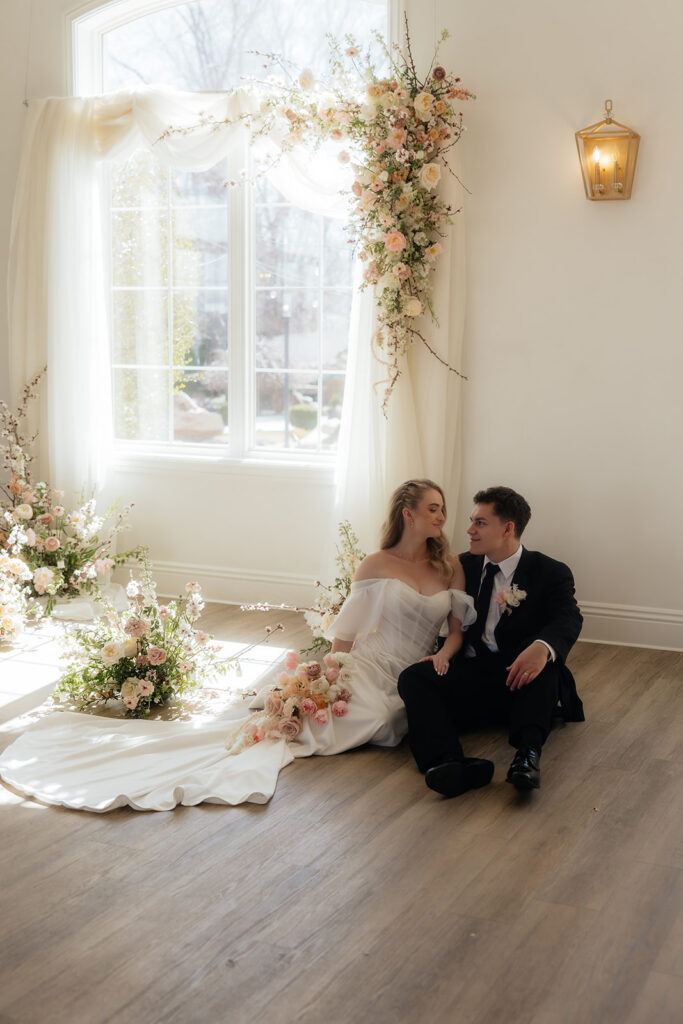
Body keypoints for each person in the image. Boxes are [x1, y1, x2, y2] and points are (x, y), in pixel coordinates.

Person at [0, 479, 475, 813]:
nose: (442, 515)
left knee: (392, 720)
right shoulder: (377, 562)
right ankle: (280, 723)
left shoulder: (449, 567)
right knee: (368, 718)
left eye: (443, 508)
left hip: (415, 669)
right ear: (408, 513)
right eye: (433, 507)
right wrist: (332, 668)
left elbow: (454, 630)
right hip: (369, 663)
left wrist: (443, 656)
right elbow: (347, 628)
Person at [397, 486, 584, 799]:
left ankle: (527, 758)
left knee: (548, 668)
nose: (469, 530)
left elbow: (568, 618)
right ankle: (450, 763)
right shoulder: (461, 566)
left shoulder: (549, 572)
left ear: (508, 528)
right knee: (414, 677)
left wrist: (542, 647)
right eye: (472, 521)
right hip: (473, 675)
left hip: (519, 680)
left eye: (480, 523)